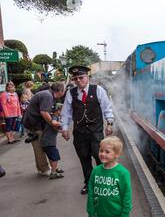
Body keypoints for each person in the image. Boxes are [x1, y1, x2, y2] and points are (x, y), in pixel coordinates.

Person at [61, 65, 114, 195]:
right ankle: (89, 183)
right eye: (75, 78)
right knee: (84, 159)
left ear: (87, 77)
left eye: (81, 77)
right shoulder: (70, 92)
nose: (78, 81)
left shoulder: (98, 90)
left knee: (100, 157)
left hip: (95, 131)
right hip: (79, 133)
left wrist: (109, 123)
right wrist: (65, 128)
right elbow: (66, 112)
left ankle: (104, 183)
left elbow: (107, 107)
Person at [22, 82, 66, 176]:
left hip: (36, 123)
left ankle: (50, 167)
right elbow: (44, 112)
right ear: (60, 90)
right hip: (34, 125)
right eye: (64, 89)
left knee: (45, 145)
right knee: (40, 147)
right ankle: (44, 169)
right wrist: (53, 124)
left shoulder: (49, 95)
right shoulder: (48, 95)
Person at [40, 102, 64, 180]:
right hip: (48, 141)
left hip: (45, 141)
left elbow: (54, 127)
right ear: (58, 110)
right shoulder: (54, 117)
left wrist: (60, 130)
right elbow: (54, 123)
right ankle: (53, 173)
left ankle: (54, 169)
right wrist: (62, 125)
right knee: (55, 157)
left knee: (51, 157)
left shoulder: (52, 116)